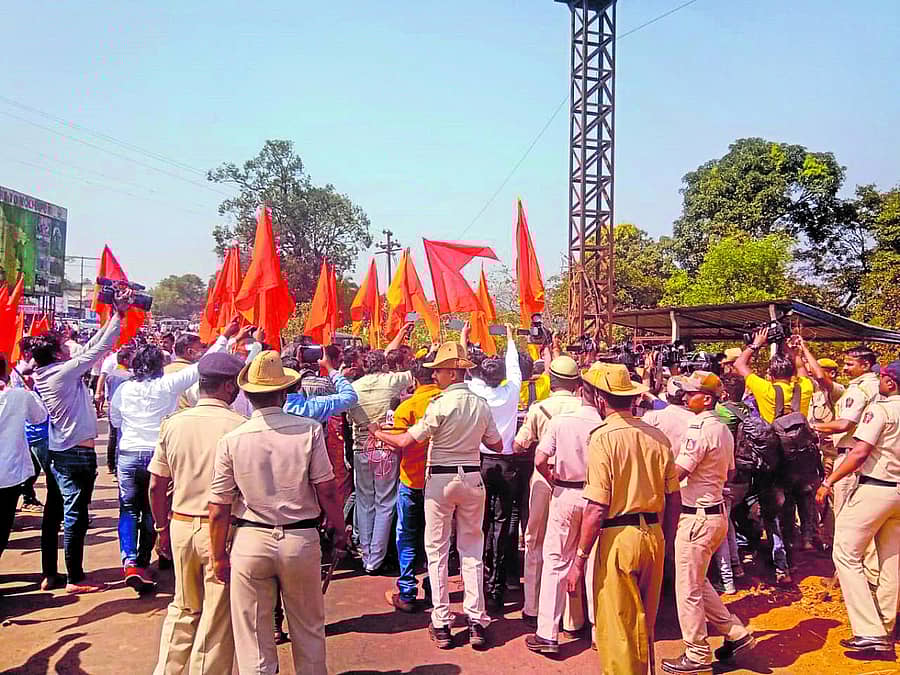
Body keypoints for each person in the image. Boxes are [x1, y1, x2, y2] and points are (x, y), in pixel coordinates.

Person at [209, 350, 347, 675]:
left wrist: (218, 557)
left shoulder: (232, 440)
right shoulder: (309, 430)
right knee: (309, 629)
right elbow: (326, 489)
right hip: (300, 539)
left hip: (250, 540)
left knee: (254, 639)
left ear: (247, 394)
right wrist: (340, 530)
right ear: (284, 393)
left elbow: (219, 508)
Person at [374, 342, 503, 650]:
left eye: (439, 371)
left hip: (440, 480)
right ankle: (477, 620)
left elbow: (406, 440)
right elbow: (496, 445)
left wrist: (377, 431)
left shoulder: (440, 405)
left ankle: (442, 622)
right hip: (472, 477)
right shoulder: (480, 404)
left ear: (451, 371)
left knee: (437, 551)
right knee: (472, 551)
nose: (435, 376)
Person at [563, 363, 681, 675]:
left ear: (601, 401)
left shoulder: (603, 438)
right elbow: (674, 498)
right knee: (645, 625)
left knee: (618, 630)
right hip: (653, 534)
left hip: (619, 539)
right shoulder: (657, 436)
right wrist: (665, 544)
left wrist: (579, 559)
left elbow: (597, 507)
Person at [109, 322, 233, 592]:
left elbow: (115, 421)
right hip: (157, 454)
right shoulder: (166, 385)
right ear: (159, 365)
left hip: (129, 455)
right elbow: (202, 366)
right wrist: (224, 336)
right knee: (156, 510)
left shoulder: (123, 389)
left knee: (129, 510)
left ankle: (131, 562)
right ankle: (145, 559)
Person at [149, 352, 247, 675]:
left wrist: (161, 529)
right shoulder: (240, 427)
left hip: (179, 524)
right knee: (217, 615)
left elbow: (156, 486)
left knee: (182, 606)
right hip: (221, 529)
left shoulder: (173, 424)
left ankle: (167, 670)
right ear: (229, 387)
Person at [31, 290, 131, 593]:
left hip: (62, 450)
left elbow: (88, 348)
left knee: (54, 512)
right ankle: (74, 578)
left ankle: (51, 573)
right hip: (75, 454)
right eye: (64, 346)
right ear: (59, 355)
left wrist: (113, 316)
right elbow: (94, 351)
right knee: (75, 515)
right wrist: (119, 316)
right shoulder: (60, 375)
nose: (68, 349)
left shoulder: (48, 372)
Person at [662, 371, 756, 674]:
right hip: (714, 515)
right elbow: (728, 472)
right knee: (698, 582)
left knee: (687, 589)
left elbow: (679, 473)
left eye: (692, 393)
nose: (686, 397)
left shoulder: (700, 428)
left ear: (708, 398)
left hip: (697, 518)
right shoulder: (721, 428)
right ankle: (735, 633)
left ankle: (697, 654)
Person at [816, 360, 900, 653]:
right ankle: (885, 623)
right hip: (898, 495)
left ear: (890, 382)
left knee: (845, 552)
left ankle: (869, 631)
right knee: (891, 560)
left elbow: (860, 452)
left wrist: (829, 481)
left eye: (883, 377)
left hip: (876, 488)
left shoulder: (882, 408)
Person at [524, 366, 604, 654]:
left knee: (556, 562)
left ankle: (547, 633)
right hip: (597, 498)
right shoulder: (605, 425)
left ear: (582, 391)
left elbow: (539, 457)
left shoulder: (561, 422)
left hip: (566, 493)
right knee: (595, 564)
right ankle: (597, 631)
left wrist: (552, 478)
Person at [513, 355, 583, 630]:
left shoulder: (539, 408)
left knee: (535, 541)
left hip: (544, 479)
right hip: (578, 481)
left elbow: (520, 445)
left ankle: (532, 606)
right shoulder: (585, 408)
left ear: (551, 381)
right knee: (573, 545)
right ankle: (571, 617)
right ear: (576, 382)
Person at [346, 323, 415, 574]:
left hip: (360, 448)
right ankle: (375, 557)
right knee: (386, 501)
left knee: (365, 501)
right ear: (384, 365)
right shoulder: (391, 381)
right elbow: (409, 369)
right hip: (385, 448)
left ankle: (366, 554)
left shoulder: (353, 388)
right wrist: (401, 336)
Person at [465, 323, 523, 610]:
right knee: (502, 523)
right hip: (507, 462)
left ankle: (482, 574)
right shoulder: (512, 391)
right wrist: (511, 337)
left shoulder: (476, 391)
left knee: (479, 522)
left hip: (482, 462)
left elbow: (463, 368)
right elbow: (514, 365)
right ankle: (496, 585)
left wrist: (463, 340)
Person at [384, 351, 441, 613]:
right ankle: (434, 587)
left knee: (406, 536)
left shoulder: (406, 408)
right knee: (438, 539)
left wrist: (376, 432)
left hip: (411, 481)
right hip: (438, 483)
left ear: (415, 380)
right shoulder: (446, 402)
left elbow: (397, 447)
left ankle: (406, 592)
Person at [0, 354, 48, 559]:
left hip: (9, 473)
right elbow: (40, 416)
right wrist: (31, 390)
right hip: (8, 474)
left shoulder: (18, 395)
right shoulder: (19, 396)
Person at [163, 333, 206, 410]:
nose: (204, 351)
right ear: (190, 352)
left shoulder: (163, 371)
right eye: (202, 348)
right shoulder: (196, 374)